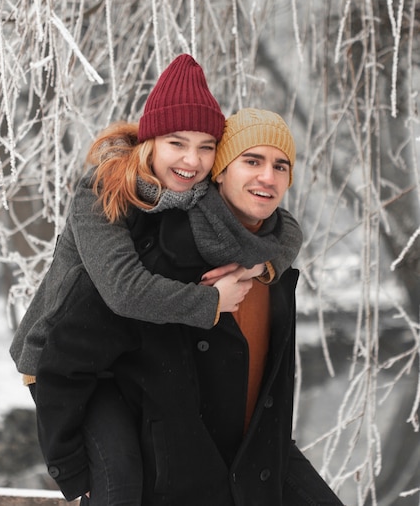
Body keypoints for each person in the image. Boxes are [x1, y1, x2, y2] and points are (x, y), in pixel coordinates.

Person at [32, 108, 344, 505]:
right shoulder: (154, 251)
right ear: (220, 173)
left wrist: (267, 264)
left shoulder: (271, 267)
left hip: (255, 462)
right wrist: (72, 469)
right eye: (251, 161)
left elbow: (264, 396)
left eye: (281, 166)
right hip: (171, 472)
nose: (268, 176)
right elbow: (73, 347)